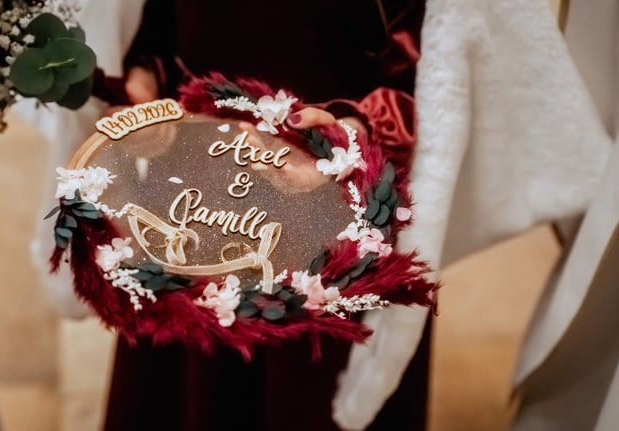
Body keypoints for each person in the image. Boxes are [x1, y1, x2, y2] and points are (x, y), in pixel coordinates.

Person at [98, 1, 431, 430]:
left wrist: (348, 135)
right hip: (196, 192)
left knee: (306, 395)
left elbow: (422, 70)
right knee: (197, 389)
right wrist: (144, 91)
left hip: (333, 210)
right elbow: (162, 33)